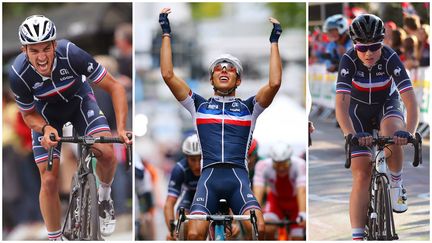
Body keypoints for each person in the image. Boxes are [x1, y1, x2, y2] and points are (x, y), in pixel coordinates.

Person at [159, 7, 283, 240]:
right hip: (209, 180)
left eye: (230, 68)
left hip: (238, 179)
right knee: (194, 233)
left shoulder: (249, 107)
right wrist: (166, 32)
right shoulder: (199, 105)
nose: (224, 70)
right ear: (211, 78)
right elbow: (167, 75)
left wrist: (274, 42)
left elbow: (274, 83)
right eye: (218, 67)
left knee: (261, 228)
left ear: (239, 79)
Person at [8, 15, 132, 240]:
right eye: (34, 51)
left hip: (79, 103)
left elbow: (115, 87)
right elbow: (27, 115)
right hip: (46, 116)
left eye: (46, 48)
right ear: (24, 50)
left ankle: (104, 196)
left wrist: (122, 129)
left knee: (106, 153)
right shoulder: (18, 74)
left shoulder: (70, 53)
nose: (42, 57)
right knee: (48, 179)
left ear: (55, 44)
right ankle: (55, 237)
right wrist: (45, 129)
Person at [335, 14, 419, 240]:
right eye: (362, 48)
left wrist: (408, 133)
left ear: (382, 43)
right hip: (358, 112)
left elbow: (410, 100)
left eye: (374, 47)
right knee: (361, 172)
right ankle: (357, 236)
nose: (369, 53)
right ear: (355, 45)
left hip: (386, 106)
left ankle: (396, 180)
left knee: (392, 131)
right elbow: (341, 104)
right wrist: (350, 134)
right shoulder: (349, 60)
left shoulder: (391, 58)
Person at [253, 143, 306, 240]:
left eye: (284, 164)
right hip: (275, 202)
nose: (281, 168)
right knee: (267, 228)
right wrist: (256, 215)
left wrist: (302, 214)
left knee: (297, 238)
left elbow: (302, 190)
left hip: (296, 204)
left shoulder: (300, 164)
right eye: (277, 164)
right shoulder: (262, 165)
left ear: (290, 159)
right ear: (272, 160)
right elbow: (258, 192)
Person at [164, 134, 201, 240]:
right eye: (193, 160)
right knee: (182, 228)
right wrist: (172, 230)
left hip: (210, 198)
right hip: (190, 197)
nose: (197, 165)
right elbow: (169, 204)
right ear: (186, 157)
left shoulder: (211, 166)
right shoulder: (179, 169)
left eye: (200, 159)